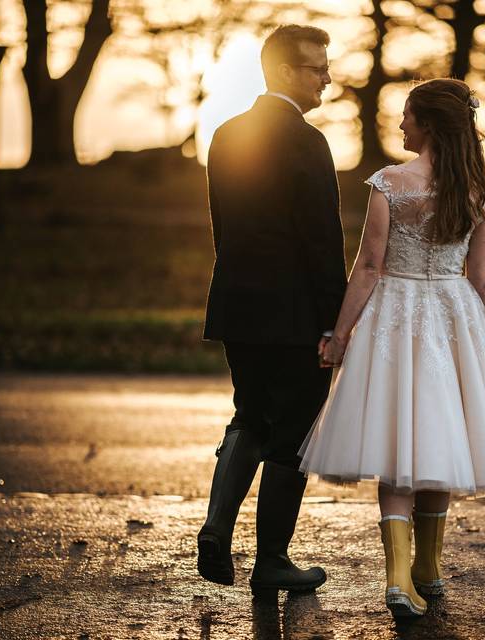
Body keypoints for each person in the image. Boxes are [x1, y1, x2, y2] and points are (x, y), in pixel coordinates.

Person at [299, 78, 485, 618]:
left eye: (407, 116)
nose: (401, 124)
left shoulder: (389, 183)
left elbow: (371, 267)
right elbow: (480, 277)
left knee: (397, 448)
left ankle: (402, 578)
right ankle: (428, 568)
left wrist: (340, 334)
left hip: (396, 319)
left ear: (428, 123)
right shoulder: (478, 193)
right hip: (455, 321)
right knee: (441, 439)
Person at [197, 24, 347, 598]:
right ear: (283, 71)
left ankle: (217, 525)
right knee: (293, 436)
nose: (327, 78)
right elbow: (321, 243)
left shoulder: (226, 134)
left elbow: (223, 230)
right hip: (294, 317)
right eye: (317, 68)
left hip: (238, 307)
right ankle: (272, 560)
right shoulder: (307, 143)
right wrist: (336, 322)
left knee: (249, 415)